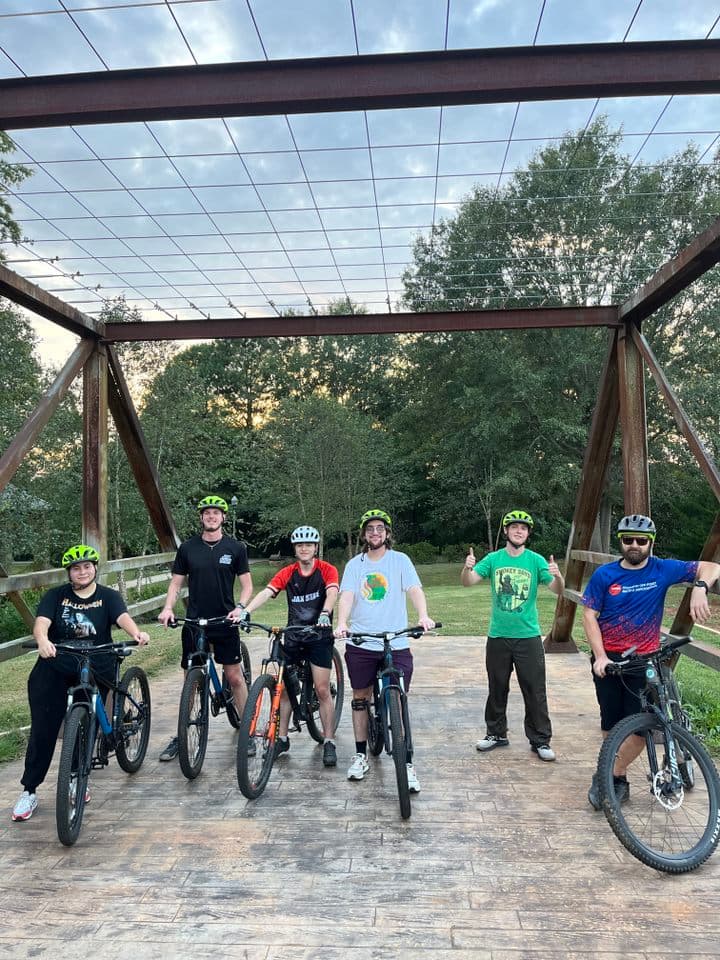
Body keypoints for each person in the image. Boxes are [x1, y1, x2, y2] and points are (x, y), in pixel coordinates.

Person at [581, 513, 719, 809]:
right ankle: (617, 780)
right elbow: (589, 614)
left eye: (641, 540)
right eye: (628, 539)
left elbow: (711, 566)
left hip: (643, 661)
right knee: (610, 724)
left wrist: (700, 588)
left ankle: (609, 774)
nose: (634, 545)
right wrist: (601, 656)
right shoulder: (605, 575)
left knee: (641, 730)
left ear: (650, 543)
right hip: (609, 660)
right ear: (621, 541)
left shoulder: (663, 569)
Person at [11, 544, 149, 822]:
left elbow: (123, 619)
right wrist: (42, 640)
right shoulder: (56, 596)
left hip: (97, 660)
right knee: (44, 726)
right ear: (69, 573)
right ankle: (30, 790)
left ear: (95, 568)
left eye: (87, 566)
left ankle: (76, 778)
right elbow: (42, 623)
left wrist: (137, 633)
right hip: (60, 659)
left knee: (84, 723)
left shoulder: (108, 597)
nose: (82, 571)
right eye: (76, 568)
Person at [334, 509, 435, 791]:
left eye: (380, 529)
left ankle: (407, 763)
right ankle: (360, 754)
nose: (375, 533)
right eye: (370, 529)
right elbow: (348, 595)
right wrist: (342, 623)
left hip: (396, 641)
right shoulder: (355, 564)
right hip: (362, 641)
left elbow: (414, 588)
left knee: (399, 698)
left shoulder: (400, 560)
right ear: (364, 534)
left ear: (387, 533)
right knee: (360, 697)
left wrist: (423, 615)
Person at [461, 509, 564, 762]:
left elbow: (557, 590)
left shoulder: (536, 560)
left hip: (528, 636)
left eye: (524, 528)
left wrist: (558, 575)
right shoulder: (494, 559)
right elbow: (468, 582)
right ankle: (496, 734)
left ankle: (540, 739)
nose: (519, 531)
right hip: (498, 635)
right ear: (506, 531)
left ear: (528, 534)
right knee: (497, 687)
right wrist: (466, 568)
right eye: (514, 527)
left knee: (534, 689)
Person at [157, 495, 253, 761]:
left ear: (223, 517)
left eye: (216, 513)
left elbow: (247, 585)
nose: (211, 517)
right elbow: (176, 584)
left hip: (225, 621)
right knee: (190, 680)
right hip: (194, 622)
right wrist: (167, 608)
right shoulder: (187, 549)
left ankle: (249, 731)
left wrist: (241, 607)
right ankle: (181, 734)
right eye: (206, 513)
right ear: (201, 518)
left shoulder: (236, 548)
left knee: (234, 677)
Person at [241, 525, 340, 766]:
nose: (304, 548)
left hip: (319, 635)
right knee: (284, 690)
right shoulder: (288, 572)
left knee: (322, 689)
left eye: (308, 544)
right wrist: (246, 611)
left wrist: (325, 612)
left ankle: (328, 741)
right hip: (294, 635)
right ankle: (282, 739)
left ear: (315, 548)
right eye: (299, 545)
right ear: (295, 549)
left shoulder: (327, 569)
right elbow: (267, 592)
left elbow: (332, 591)